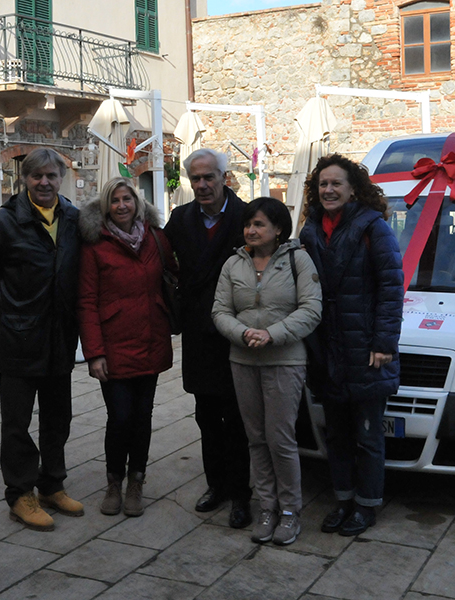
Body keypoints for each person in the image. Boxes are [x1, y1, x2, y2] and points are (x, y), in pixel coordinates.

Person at [0, 148, 83, 532]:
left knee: (58, 417)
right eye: (37, 176)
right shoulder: (3, 223)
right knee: (17, 423)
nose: (45, 183)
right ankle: (20, 493)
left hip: (59, 338)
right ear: (25, 179)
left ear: (61, 179)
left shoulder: (73, 219)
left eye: (52, 176)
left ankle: (52, 484)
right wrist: (9, 324)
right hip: (18, 341)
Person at [299, 153, 404, 536]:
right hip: (326, 348)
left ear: (353, 189)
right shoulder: (310, 230)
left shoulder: (374, 228)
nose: (328, 190)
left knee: (368, 435)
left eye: (336, 183)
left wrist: (383, 342)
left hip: (365, 349)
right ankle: (343, 500)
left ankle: (366, 505)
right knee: (337, 435)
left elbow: (392, 288)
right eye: (323, 184)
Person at [212, 197, 322, 545]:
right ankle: (266, 508)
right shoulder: (234, 264)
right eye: (248, 224)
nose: (251, 230)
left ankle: (290, 511)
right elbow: (220, 311)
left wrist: (271, 334)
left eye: (259, 224)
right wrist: (243, 333)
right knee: (256, 439)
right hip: (243, 360)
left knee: (281, 439)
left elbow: (311, 309)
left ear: (278, 229)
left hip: (284, 361)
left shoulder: (298, 260)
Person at [164, 148, 252, 529]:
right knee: (206, 415)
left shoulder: (246, 216)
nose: (202, 185)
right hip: (199, 332)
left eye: (209, 177)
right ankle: (216, 484)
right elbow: (161, 260)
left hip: (236, 332)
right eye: (195, 178)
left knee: (238, 418)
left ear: (224, 178)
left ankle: (241, 493)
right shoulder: (180, 219)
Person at [78, 177, 177, 518]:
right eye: (115, 200)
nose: (122, 205)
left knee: (143, 416)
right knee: (120, 417)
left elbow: (172, 276)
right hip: (114, 345)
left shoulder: (156, 238)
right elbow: (86, 301)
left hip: (150, 339)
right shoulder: (95, 245)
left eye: (127, 199)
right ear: (106, 206)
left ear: (137, 203)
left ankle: (136, 480)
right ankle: (113, 481)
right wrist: (94, 353)